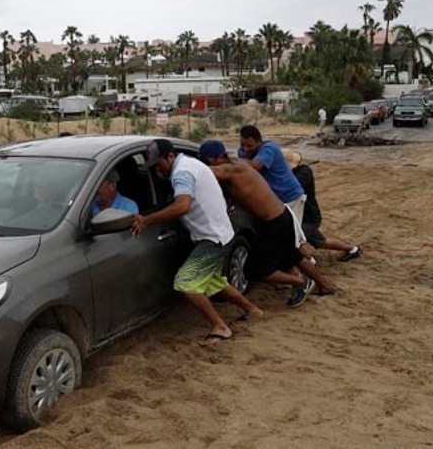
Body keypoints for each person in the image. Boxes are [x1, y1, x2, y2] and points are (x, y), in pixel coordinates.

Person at [131, 139, 264, 346]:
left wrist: (147, 220)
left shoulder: (181, 173)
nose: (158, 170)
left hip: (213, 238)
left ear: (170, 157)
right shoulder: (191, 163)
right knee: (212, 282)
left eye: (159, 164)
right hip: (220, 233)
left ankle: (220, 327)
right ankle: (253, 310)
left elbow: (182, 206)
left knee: (186, 283)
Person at [197, 140, 320, 307]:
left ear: (219, 157)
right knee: (291, 258)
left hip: (275, 221)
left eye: (207, 160)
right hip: (278, 217)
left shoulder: (232, 168)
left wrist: (182, 165)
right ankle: (325, 286)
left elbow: (203, 172)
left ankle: (302, 282)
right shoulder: (234, 164)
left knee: (255, 270)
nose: (207, 164)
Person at [285, 150, 362, 263]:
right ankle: (352, 249)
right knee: (318, 241)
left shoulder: (304, 173)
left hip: (308, 217)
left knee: (293, 240)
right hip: (297, 216)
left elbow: (290, 187)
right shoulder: (295, 174)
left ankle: (311, 261)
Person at [237, 124, 307, 224]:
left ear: (259, 142)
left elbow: (255, 166)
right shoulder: (242, 153)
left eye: (249, 146)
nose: (245, 149)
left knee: (292, 231)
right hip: (274, 200)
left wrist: (231, 161)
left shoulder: (269, 148)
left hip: (291, 198)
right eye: (242, 145)